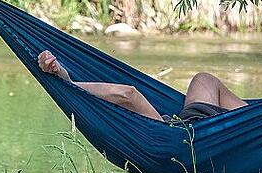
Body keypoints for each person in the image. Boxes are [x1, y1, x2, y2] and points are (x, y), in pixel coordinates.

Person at [37, 50, 247, 121]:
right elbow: (127, 94)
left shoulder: (138, 127)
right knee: (206, 80)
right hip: (193, 132)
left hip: (192, 120)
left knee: (204, 78)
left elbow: (124, 96)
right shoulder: (157, 137)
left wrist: (63, 76)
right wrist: (68, 83)